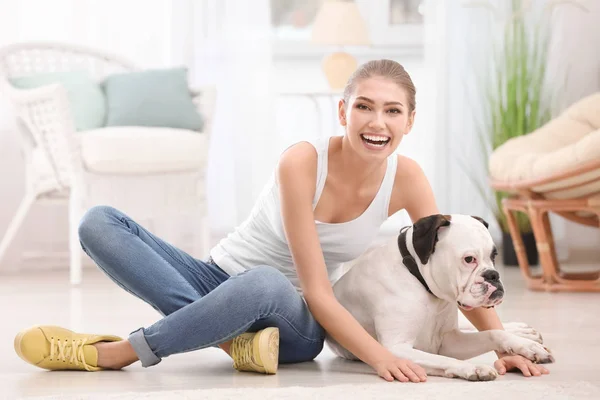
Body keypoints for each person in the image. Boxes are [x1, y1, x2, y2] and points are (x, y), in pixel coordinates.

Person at [14, 59, 549, 382]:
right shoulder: (303, 161)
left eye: (392, 110)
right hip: (216, 280)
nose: (377, 122)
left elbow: (452, 264)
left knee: (268, 281)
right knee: (98, 221)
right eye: (364, 107)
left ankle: (122, 351)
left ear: (409, 121)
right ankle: (230, 342)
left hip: (294, 319)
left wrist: (503, 345)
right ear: (343, 113)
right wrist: (383, 356)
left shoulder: (407, 178)